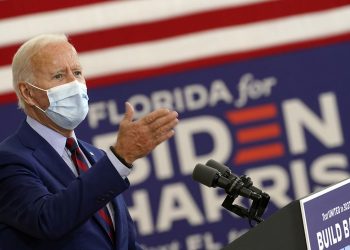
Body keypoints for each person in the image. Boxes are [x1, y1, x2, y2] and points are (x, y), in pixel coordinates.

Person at [0, 34, 178, 250]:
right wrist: (120, 158)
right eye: (58, 76)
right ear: (28, 93)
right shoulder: (9, 159)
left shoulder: (96, 157)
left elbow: (123, 244)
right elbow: (48, 220)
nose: (74, 84)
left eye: (77, 73)